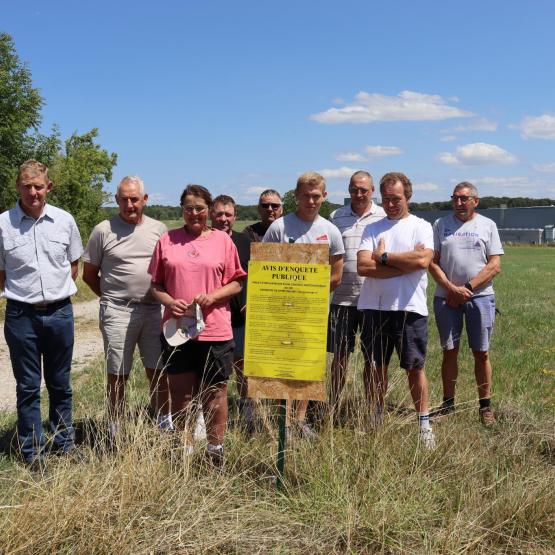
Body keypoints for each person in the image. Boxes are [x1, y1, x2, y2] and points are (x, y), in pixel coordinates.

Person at [149, 185, 246, 464]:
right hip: (177, 330)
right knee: (181, 393)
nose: (195, 213)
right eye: (189, 208)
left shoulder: (222, 241)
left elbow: (237, 282)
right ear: (182, 210)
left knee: (215, 393)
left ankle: (215, 450)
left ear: (209, 210)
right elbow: (155, 285)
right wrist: (169, 302)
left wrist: (212, 296)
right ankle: (185, 447)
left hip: (214, 329)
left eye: (200, 208)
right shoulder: (167, 240)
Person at [0, 160, 83, 467]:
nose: (32, 192)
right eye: (26, 185)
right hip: (22, 316)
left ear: (48, 187)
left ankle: (65, 443)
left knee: (61, 383)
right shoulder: (3, 224)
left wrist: (52, 293)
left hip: (60, 313)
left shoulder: (64, 220)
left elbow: (72, 267)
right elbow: (1, 273)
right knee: (27, 386)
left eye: (38, 186)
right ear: (18, 186)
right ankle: (33, 452)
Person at [82, 176, 170, 436]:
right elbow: (89, 275)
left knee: (157, 370)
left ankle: (164, 421)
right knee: (117, 373)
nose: (129, 204)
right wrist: (111, 298)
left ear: (145, 199)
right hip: (117, 310)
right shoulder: (103, 230)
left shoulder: (159, 229)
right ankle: (115, 427)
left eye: (134, 199)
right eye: (124, 199)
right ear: (116, 199)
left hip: (153, 310)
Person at [357, 172, 436, 449]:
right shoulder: (372, 229)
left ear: (408, 196)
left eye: (396, 198)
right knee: (376, 366)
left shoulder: (422, 226)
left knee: (414, 367)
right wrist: (405, 265)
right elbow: (363, 267)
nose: (391, 204)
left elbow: (423, 260)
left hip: (409, 308)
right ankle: (376, 417)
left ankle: (424, 424)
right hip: (375, 307)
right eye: (386, 199)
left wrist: (384, 257)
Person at [263, 171, 344, 438]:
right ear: (296, 196)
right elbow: (264, 268)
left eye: (316, 196)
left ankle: (300, 419)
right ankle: (282, 419)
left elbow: (336, 276)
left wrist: (308, 293)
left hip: (313, 310)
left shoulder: (330, 232)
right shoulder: (280, 228)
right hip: (281, 309)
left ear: (324, 196)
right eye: (306, 196)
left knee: (309, 364)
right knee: (282, 363)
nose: (311, 201)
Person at [429, 182, 503, 426]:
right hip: (446, 298)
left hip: (479, 297)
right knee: (449, 351)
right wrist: (451, 289)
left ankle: (485, 407)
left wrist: (467, 290)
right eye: (455, 198)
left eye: (464, 199)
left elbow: (494, 265)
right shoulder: (441, 225)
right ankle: (448, 404)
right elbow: (433, 262)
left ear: (475, 201)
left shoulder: (487, 225)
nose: (459, 203)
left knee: (481, 353)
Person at [328, 171, 386, 409]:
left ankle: (372, 408)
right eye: (354, 189)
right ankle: (331, 405)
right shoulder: (335, 216)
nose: (359, 194)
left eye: (364, 190)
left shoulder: (383, 216)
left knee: (373, 359)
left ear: (372, 191)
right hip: (342, 300)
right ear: (348, 190)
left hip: (374, 299)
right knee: (339, 357)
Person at [210, 194, 254, 430]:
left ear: (235, 217)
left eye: (228, 214)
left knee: (243, 367)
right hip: (212, 318)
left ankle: (247, 408)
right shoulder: (203, 240)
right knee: (211, 370)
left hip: (241, 316)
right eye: (219, 214)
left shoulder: (245, 241)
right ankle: (207, 412)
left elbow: (256, 277)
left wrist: (253, 302)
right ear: (211, 215)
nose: (223, 219)